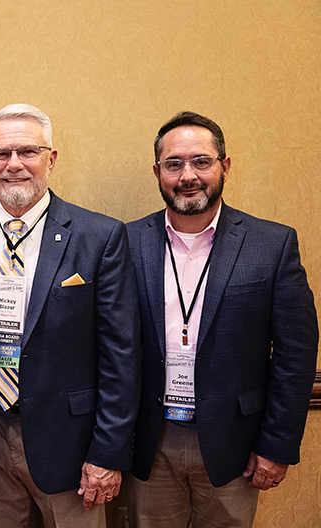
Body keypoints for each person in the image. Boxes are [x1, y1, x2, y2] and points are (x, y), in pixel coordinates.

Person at [0, 103, 141, 528]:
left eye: (28, 152)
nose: (14, 165)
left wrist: (107, 453)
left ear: (51, 158)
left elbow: (122, 355)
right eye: (1, 154)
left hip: (71, 446)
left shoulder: (99, 236)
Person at [124, 111, 319, 527]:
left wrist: (277, 445)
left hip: (237, 443)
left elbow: (295, 355)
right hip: (151, 440)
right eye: (174, 164)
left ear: (224, 166)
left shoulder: (272, 244)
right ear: (158, 172)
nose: (187, 175)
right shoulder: (126, 242)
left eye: (201, 161)